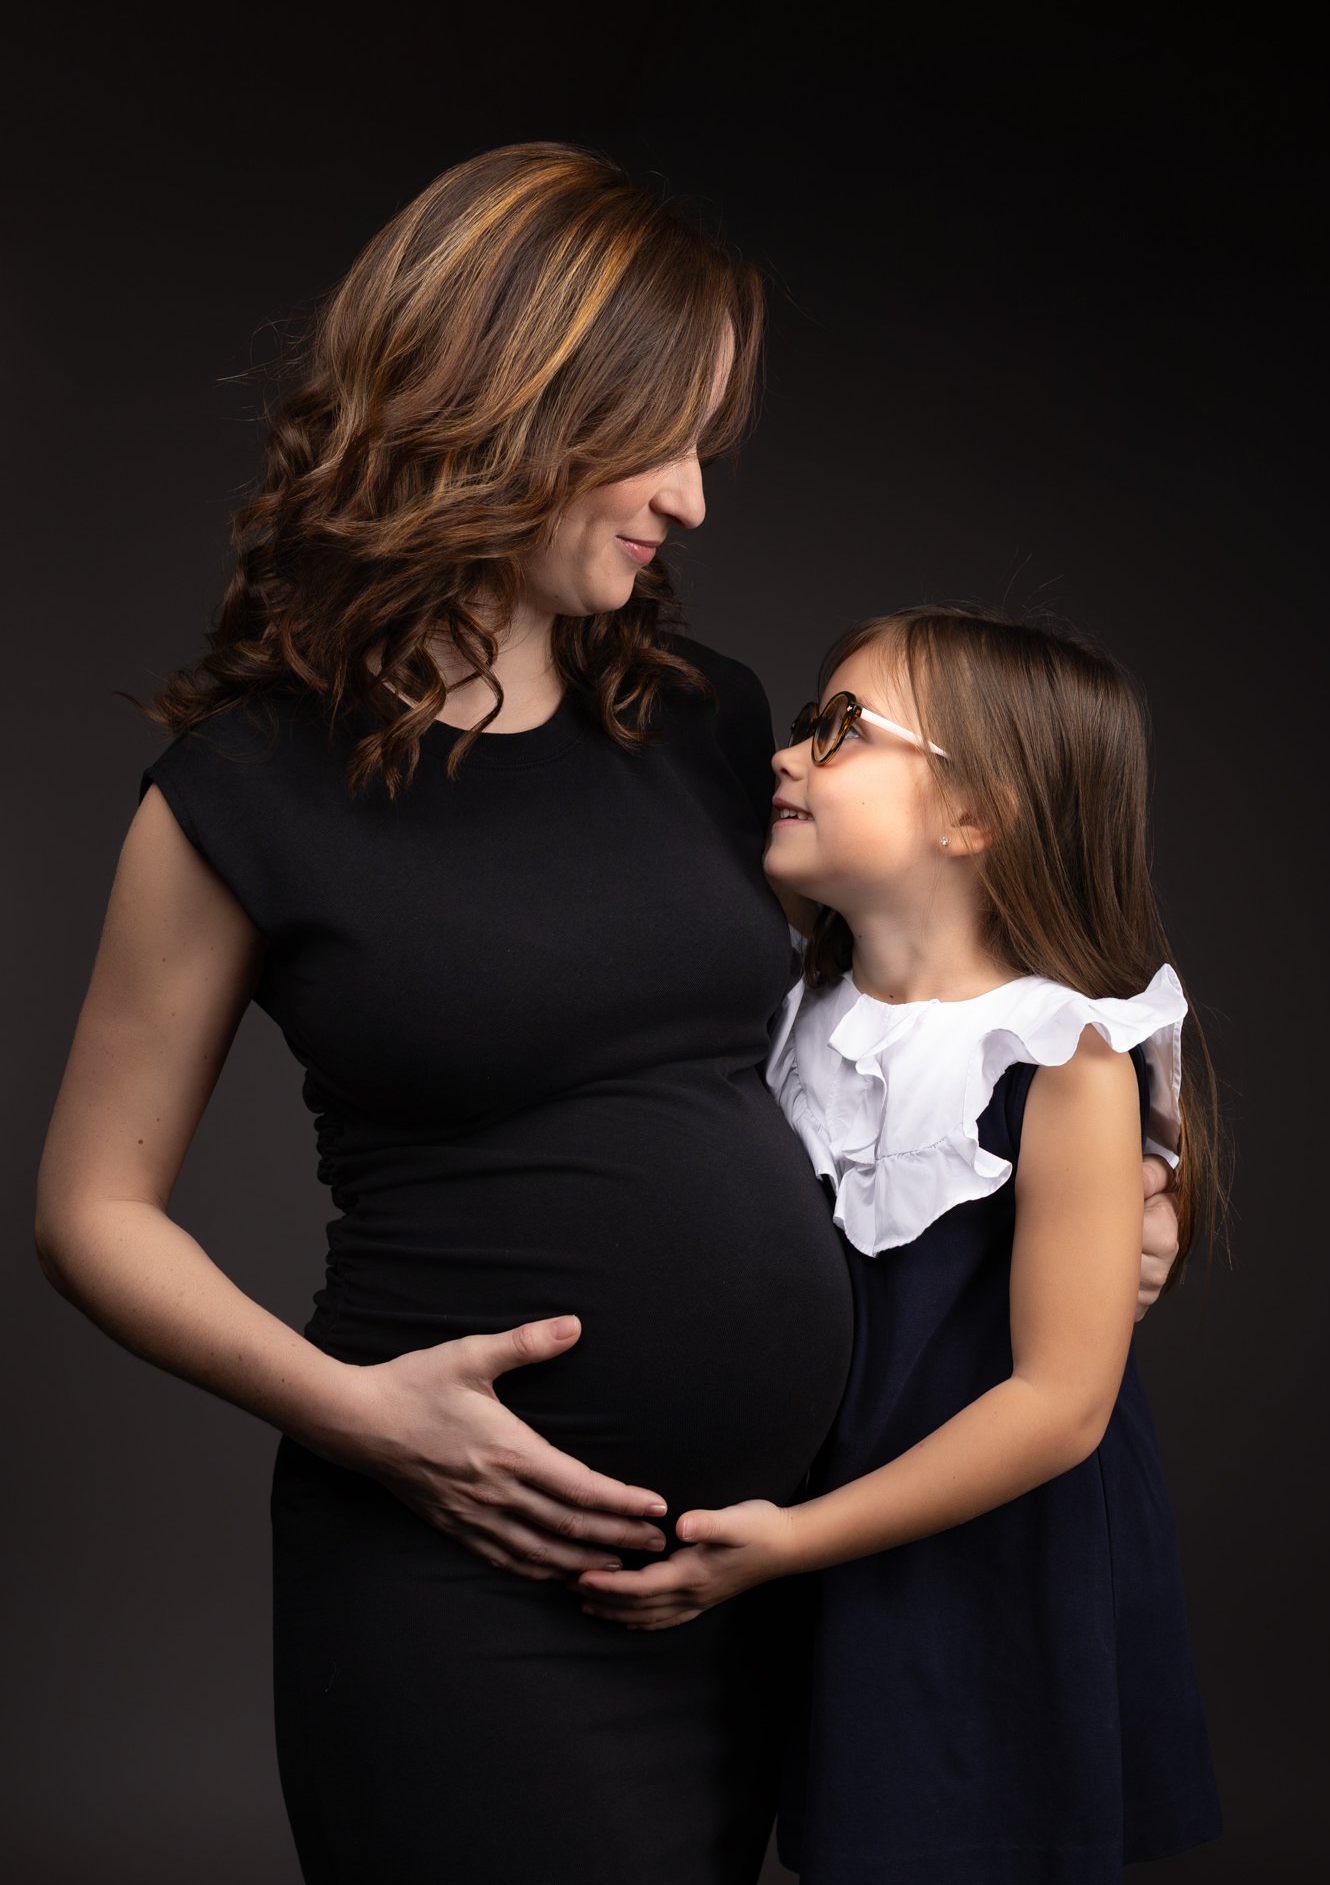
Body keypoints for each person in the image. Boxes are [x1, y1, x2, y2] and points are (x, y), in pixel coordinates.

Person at [33, 149, 1181, 1885]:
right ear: (509, 411)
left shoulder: (706, 719)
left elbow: (953, 964)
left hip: (753, 1587)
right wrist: (360, 1412)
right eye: (662, 441)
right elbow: (90, 1210)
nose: (696, 501)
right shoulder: (243, 789)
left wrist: (1122, 1162)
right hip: (456, 1579)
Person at [577, 604, 1223, 1882]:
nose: (784, 755)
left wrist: (796, 1540)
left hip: (984, 1564)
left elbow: (1059, 1404)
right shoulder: (786, 1011)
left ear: (975, 811)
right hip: (812, 1544)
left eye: (839, 731)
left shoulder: (1059, 1056)